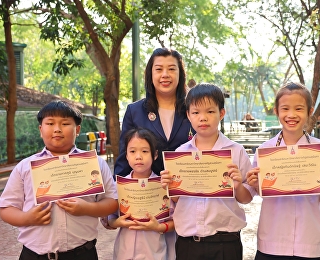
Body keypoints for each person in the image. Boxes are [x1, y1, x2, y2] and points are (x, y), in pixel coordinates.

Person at [0, 100, 118, 260]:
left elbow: (112, 202)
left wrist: (87, 208)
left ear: (78, 130)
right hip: (34, 255)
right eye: (50, 123)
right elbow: (6, 209)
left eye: (65, 123)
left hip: (82, 254)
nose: (57, 129)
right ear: (41, 130)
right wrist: (27, 218)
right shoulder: (25, 167)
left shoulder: (95, 163)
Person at [246, 82, 320, 260]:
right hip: (272, 241)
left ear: (309, 111)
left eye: (299, 108)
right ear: (276, 111)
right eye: (285, 108)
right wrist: (256, 184)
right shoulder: (265, 151)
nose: (291, 115)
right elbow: (263, 193)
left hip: (309, 241)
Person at [160, 83, 255, 260]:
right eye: (196, 113)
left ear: (221, 113)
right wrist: (170, 187)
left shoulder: (236, 151)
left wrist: (237, 185)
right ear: (188, 115)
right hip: (188, 243)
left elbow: (246, 198)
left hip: (226, 242)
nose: (203, 118)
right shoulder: (180, 154)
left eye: (210, 112)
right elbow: (176, 199)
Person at [114, 47, 194, 178]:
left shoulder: (193, 110)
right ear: (150, 74)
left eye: (172, 69)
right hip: (148, 193)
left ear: (181, 74)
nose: (165, 74)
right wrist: (119, 192)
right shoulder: (134, 111)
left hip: (188, 192)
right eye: (158, 69)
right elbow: (125, 159)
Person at [107, 127, 175, 260]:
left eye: (144, 151)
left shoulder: (163, 186)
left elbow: (176, 221)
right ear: (126, 155)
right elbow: (109, 219)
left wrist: (159, 226)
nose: (138, 156)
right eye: (132, 151)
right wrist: (118, 223)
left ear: (155, 155)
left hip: (155, 252)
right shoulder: (119, 186)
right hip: (125, 252)